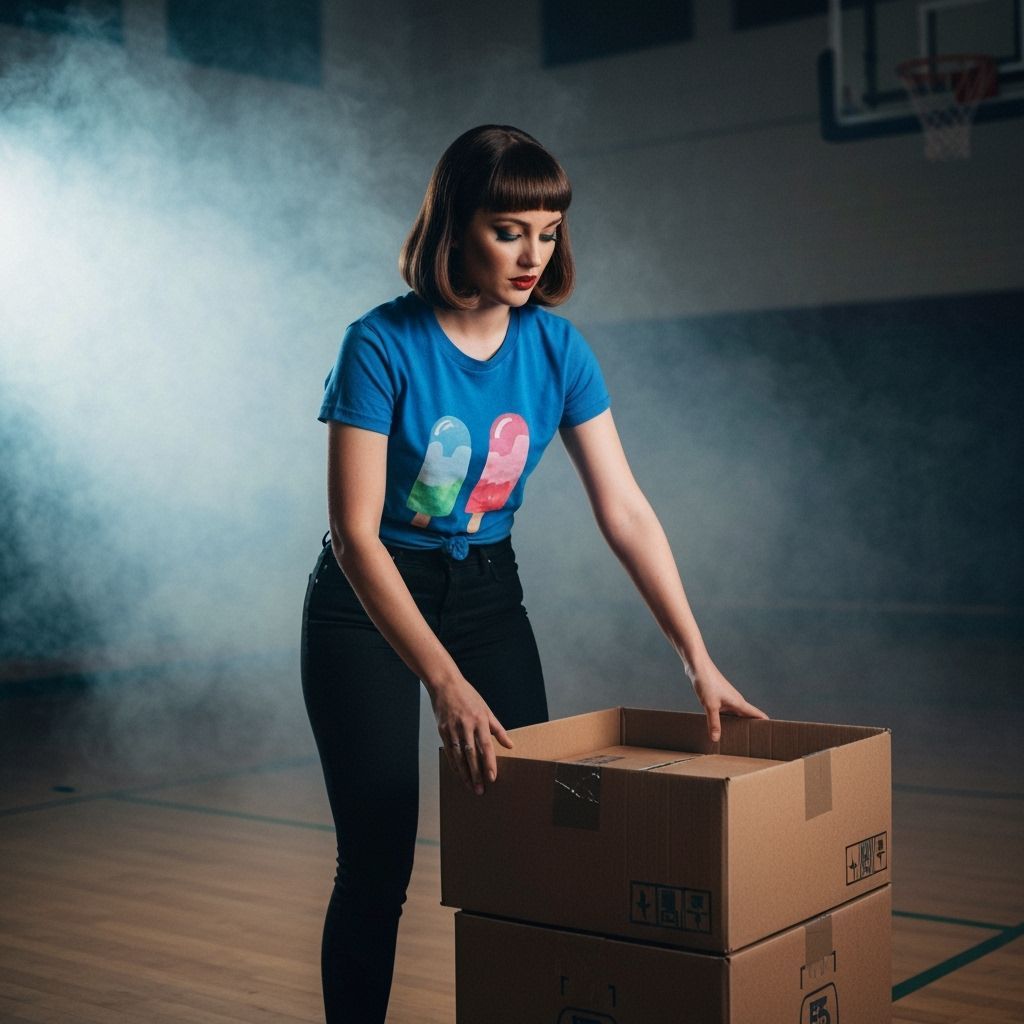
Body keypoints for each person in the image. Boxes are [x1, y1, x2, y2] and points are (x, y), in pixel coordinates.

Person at [300, 124, 767, 1023]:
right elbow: (355, 535)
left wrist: (696, 657)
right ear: (454, 226)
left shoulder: (559, 350)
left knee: (532, 842)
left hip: (485, 596)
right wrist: (443, 681)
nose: (532, 252)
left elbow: (625, 510)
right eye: (510, 228)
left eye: (548, 231)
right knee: (377, 860)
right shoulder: (378, 344)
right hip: (369, 603)